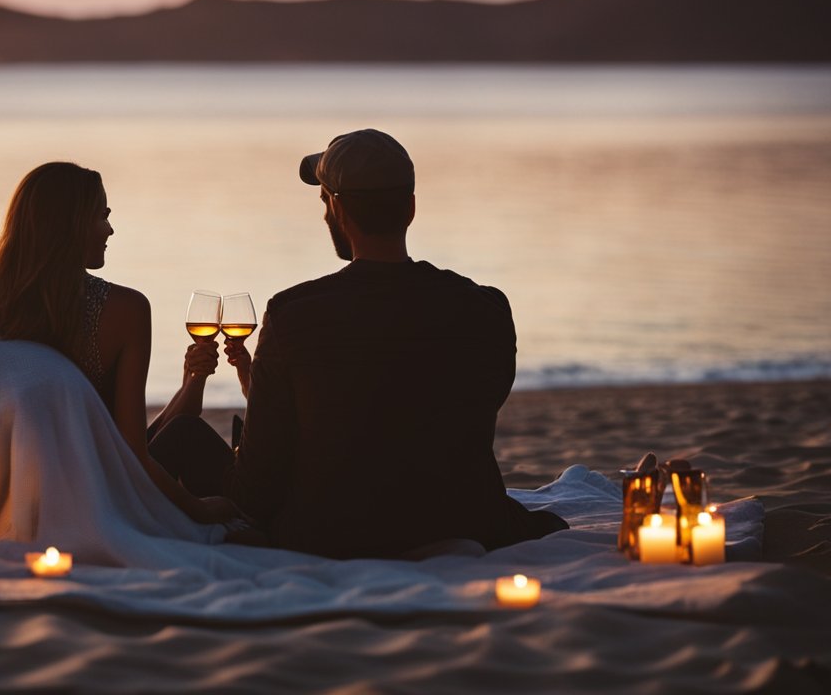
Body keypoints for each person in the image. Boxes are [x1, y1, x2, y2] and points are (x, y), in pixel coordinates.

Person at [153, 129, 568, 559]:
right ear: (409, 208)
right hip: (460, 517)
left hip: (329, 533)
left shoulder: (294, 314)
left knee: (183, 434)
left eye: (323, 203)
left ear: (335, 208)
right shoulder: (488, 309)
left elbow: (256, 491)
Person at [0, 161, 238, 526]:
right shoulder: (125, 309)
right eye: (102, 216)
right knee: (193, 443)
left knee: (181, 430)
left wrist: (192, 383)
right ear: (71, 226)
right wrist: (199, 509)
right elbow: (131, 453)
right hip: (91, 500)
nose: (110, 229)